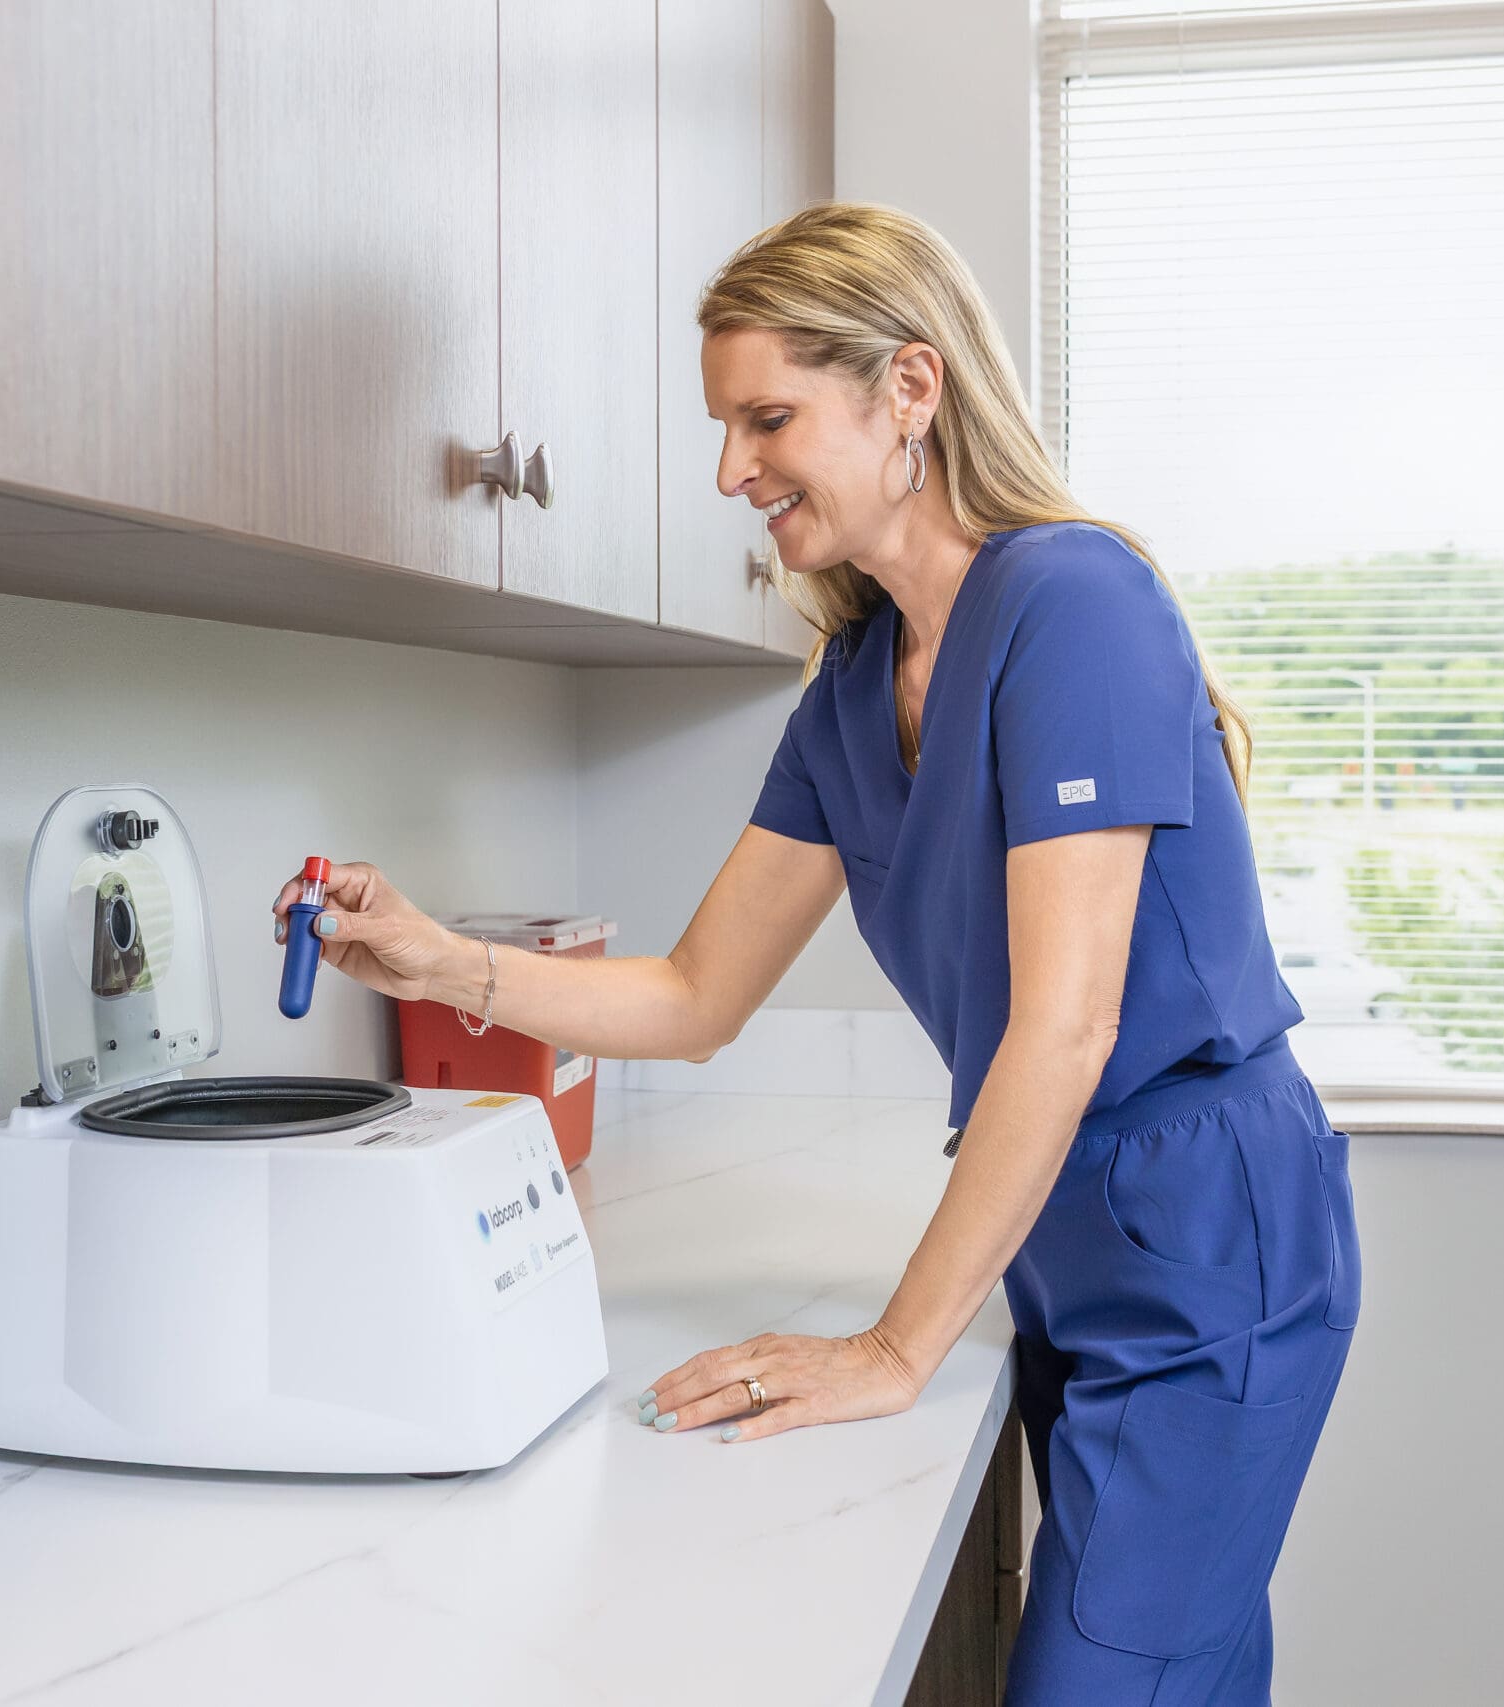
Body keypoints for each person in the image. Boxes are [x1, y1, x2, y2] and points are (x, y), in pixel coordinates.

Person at [271, 201, 1363, 1706]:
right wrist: (442, 962)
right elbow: (694, 995)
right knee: (1179, 1663)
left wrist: (897, 1348)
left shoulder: (1075, 600)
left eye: (767, 418)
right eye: (726, 426)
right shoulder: (854, 686)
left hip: (1210, 1227)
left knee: (1107, 1679)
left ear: (911, 390)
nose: (732, 470)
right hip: (1057, 1225)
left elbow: (1065, 1026)